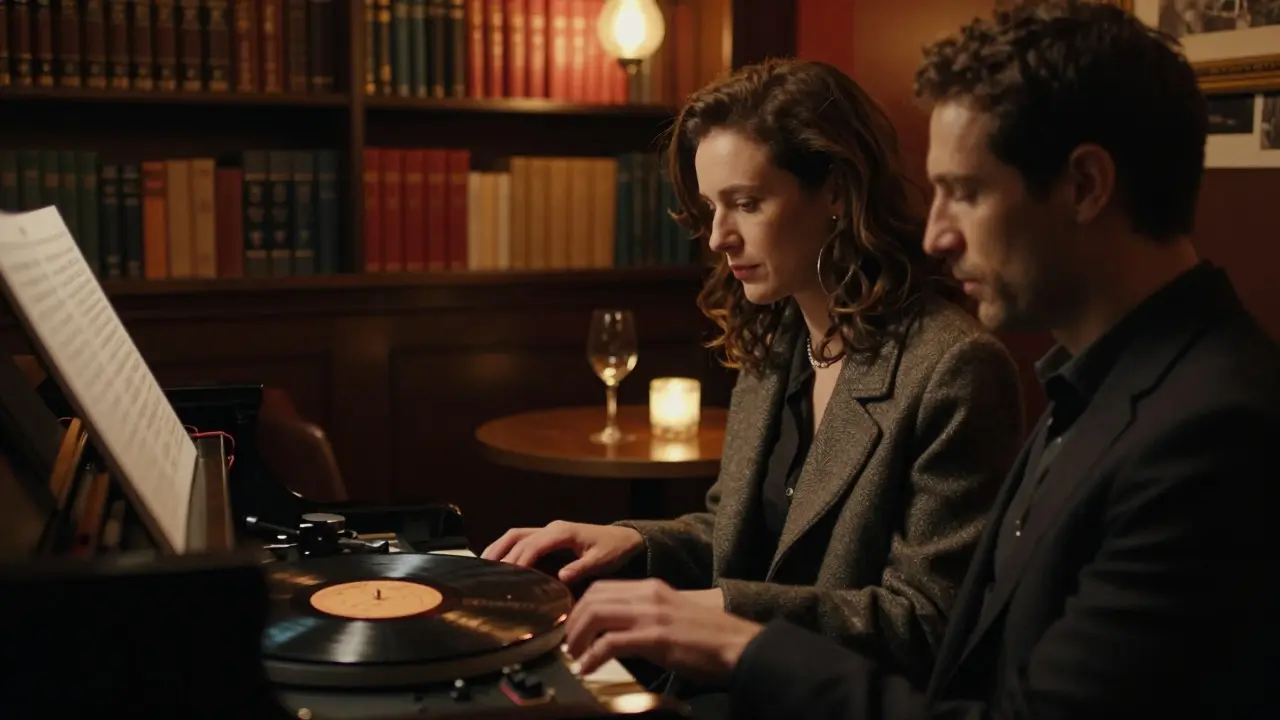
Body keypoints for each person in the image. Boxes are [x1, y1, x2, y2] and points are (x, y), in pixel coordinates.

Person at [557, 1, 1280, 717]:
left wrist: (742, 644)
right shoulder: (1093, 384)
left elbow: (946, 643)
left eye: (963, 193)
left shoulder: (1208, 430)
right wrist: (634, 544)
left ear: (1086, 186)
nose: (935, 234)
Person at [482, 58, 1025, 695]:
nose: (717, 237)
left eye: (746, 203)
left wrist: (725, 615)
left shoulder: (954, 367)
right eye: (712, 206)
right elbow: (739, 535)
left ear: (836, 193)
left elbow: (928, 623)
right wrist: (629, 540)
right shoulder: (777, 339)